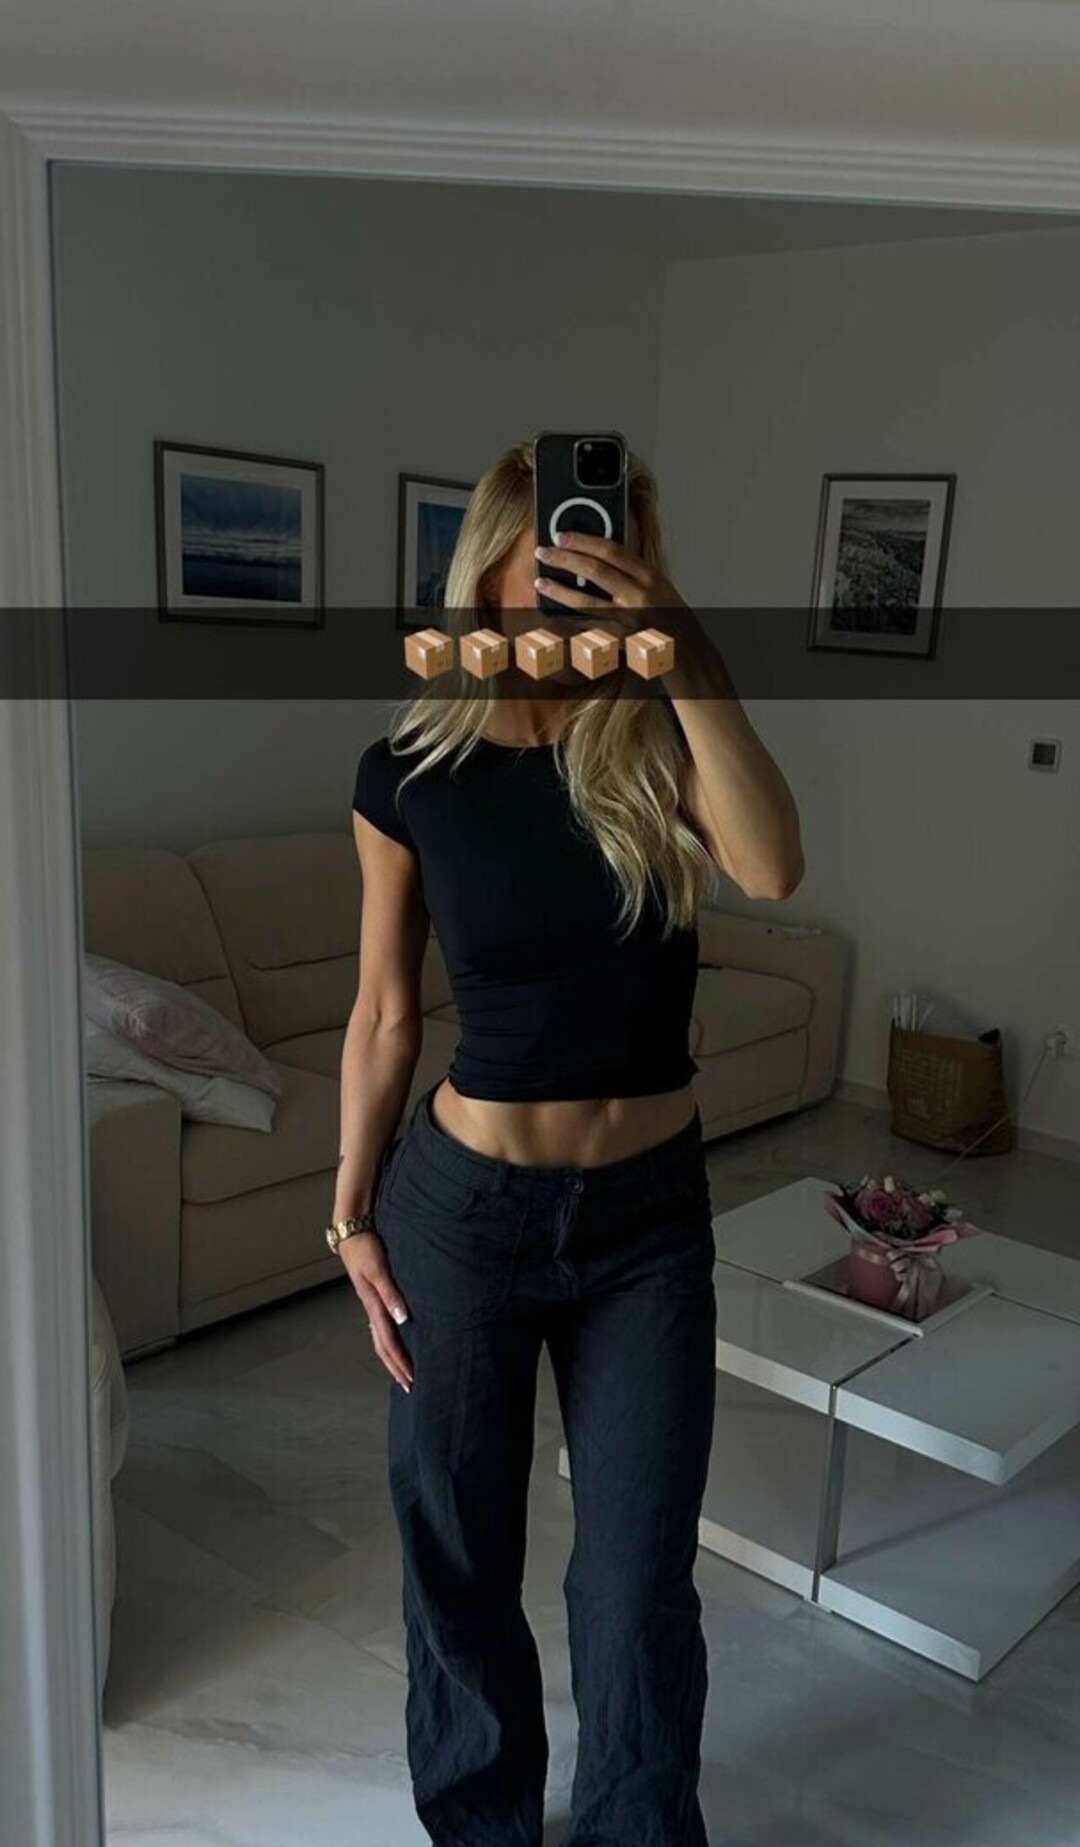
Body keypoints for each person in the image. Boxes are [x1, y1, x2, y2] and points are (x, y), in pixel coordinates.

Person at [333, 438, 804, 1846]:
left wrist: (684, 648)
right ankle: (481, 1824)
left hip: (649, 1224)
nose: (576, 578)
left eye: (609, 551)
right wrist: (350, 1216)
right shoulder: (407, 774)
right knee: (459, 1556)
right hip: (462, 1215)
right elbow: (383, 1014)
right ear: (488, 563)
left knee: (637, 1579)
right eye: (555, 550)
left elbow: (774, 866)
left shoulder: (654, 742)